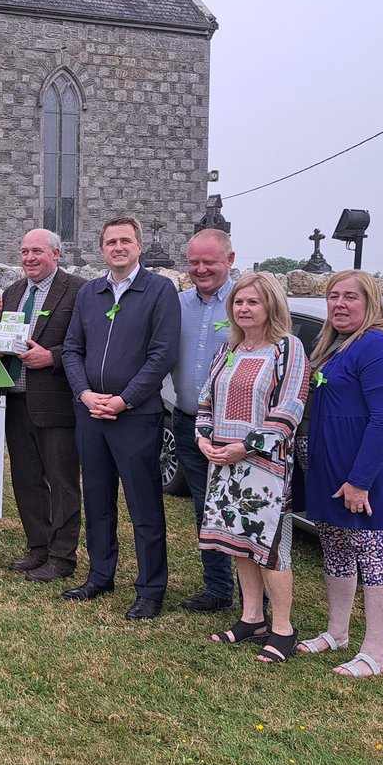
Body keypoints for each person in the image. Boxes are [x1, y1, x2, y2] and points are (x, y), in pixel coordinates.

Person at [61, 216, 180, 618]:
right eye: (111, 241)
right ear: (102, 249)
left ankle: (150, 589)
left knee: (143, 505)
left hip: (136, 416)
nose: (118, 247)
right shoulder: (90, 293)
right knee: (97, 498)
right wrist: (85, 393)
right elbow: (71, 349)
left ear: (139, 246)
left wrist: (125, 399)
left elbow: (162, 353)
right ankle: (100, 574)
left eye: (125, 241)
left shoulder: (160, 290)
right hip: (90, 413)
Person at [299, 270, 383, 678]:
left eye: (350, 297)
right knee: (336, 547)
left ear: (371, 302)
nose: (339, 304)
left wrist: (360, 480)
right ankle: (337, 632)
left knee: (373, 553)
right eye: (333, 296)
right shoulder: (338, 345)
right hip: (330, 468)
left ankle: (376, 654)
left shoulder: (378, 345)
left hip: (361, 472)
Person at [196, 273, 310, 663]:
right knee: (238, 542)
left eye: (253, 302)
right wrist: (204, 439)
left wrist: (246, 447)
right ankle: (251, 617)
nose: (244, 309)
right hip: (223, 462)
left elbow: (290, 407)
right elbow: (205, 402)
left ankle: (283, 629)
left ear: (271, 306)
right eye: (239, 303)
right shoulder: (229, 351)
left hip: (266, 467)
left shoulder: (287, 349)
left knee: (272, 549)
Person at [0, 228, 86, 583]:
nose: (29, 258)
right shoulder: (13, 292)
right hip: (15, 398)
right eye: (24, 251)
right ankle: (38, 547)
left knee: (61, 482)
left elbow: (85, 343)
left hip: (55, 402)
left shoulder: (77, 290)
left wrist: (52, 357)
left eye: (37, 252)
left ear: (56, 254)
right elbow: (5, 336)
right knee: (26, 480)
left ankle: (62, 557)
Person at [171, 228, 238, 612]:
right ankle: (218, 588)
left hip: (237, 431)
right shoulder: (178, 303)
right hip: (189, 422)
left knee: (240, 510)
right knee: (205, 508)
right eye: (194, 262)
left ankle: (256, 597)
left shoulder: (249, 302)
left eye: (209, 262)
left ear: (229, 260)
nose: (200, 269)